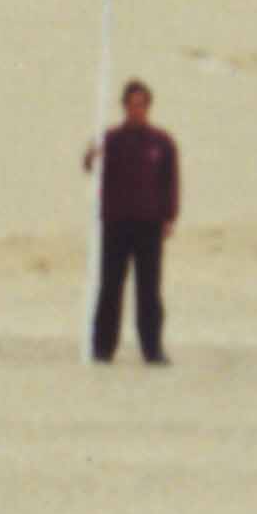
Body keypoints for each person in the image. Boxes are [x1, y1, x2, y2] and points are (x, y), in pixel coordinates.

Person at [84, 76, 179, 364]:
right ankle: (103, 348)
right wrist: (92, 155)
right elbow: (90, 166)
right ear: (124, 106)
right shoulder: (111, 140)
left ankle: (152, 348)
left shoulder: (161, 142)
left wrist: (169, 216)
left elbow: (170, 182)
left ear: (148, 106)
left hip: (149, 224)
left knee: (149, 290)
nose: (136, 109)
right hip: (116, 222)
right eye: (132, 104)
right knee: (110, 287)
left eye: (141, 105)